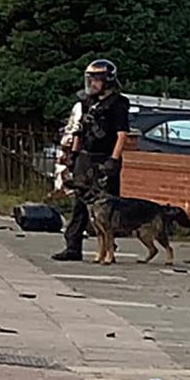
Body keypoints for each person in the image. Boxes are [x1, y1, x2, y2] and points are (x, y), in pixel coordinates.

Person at [52, 60, 131, 262]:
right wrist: (74, 155)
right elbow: (80, 129)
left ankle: (108, 249)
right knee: (79, 203)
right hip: (85, 158)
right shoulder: (87, 102)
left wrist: (113, 159)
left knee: (107, 206)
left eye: (96, 79)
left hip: (104, 158)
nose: (92, 83)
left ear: (107, 81)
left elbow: (122, 134)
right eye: (91, 79)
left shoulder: (118, 104)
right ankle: (72, 246)